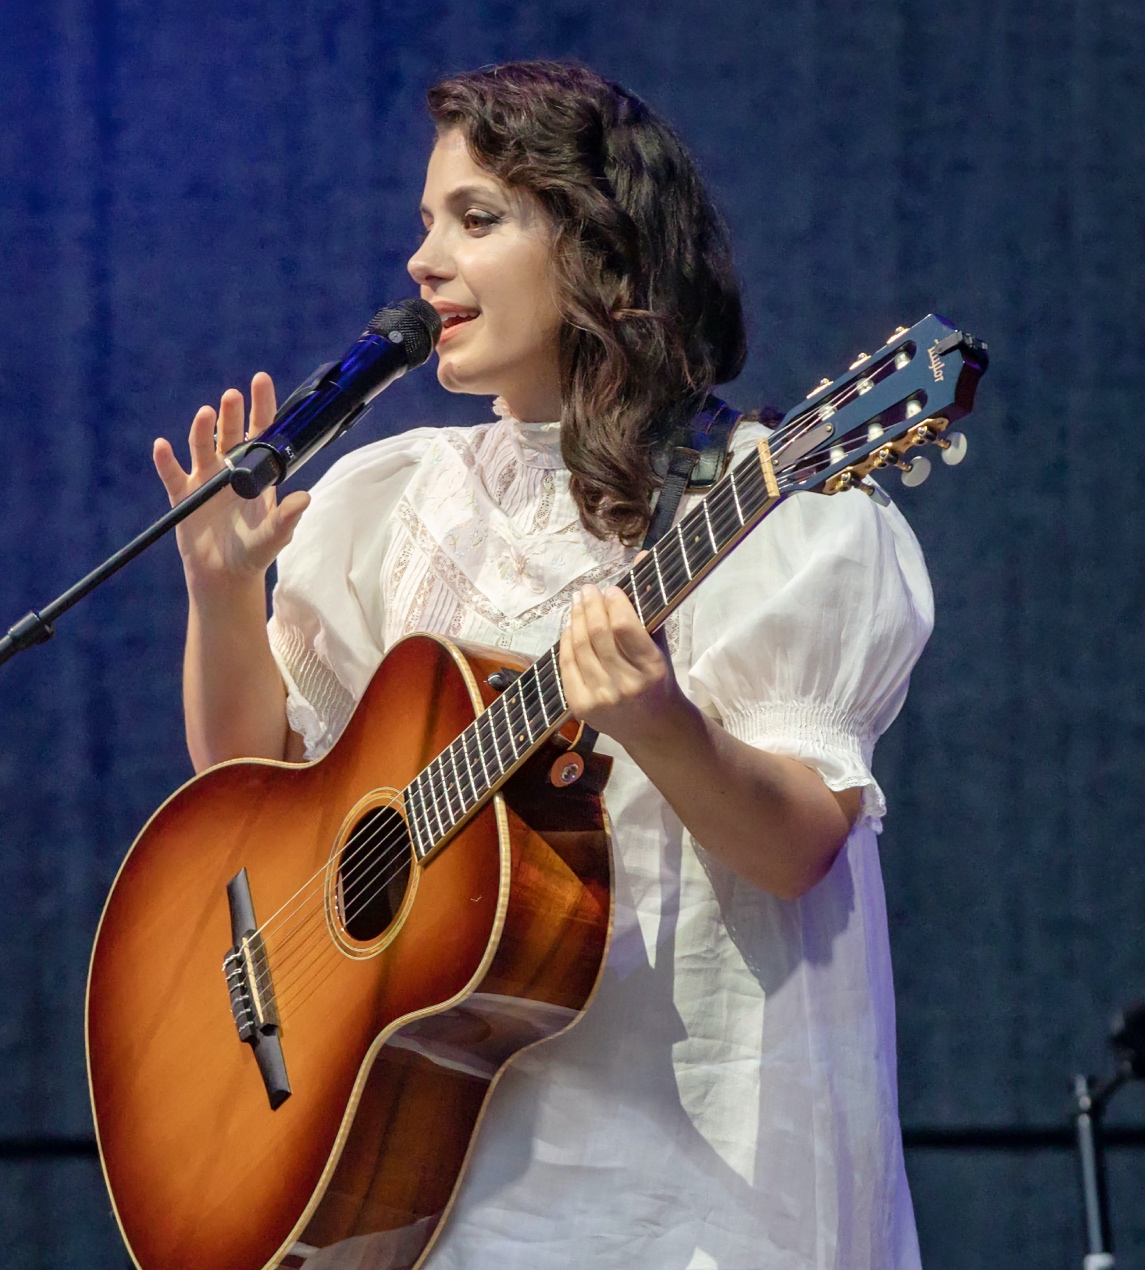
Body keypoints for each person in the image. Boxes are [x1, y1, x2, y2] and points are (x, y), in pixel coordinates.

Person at [151, 60, 931, 1270]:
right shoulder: (385, 496)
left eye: (475, 218)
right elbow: (261, 797)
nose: (420, 261)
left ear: (598, 252)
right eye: (424, 223)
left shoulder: (778, 510)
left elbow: (796, 847)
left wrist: (662, 722)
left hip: (683, 1176)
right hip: (424, 1151)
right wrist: (217, 593)